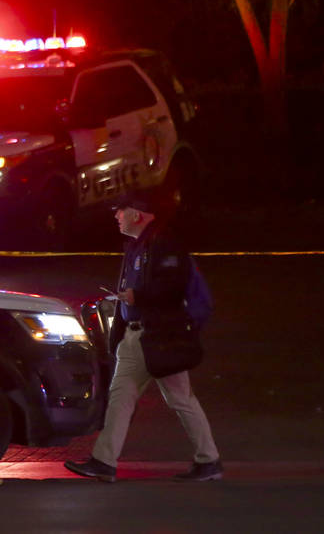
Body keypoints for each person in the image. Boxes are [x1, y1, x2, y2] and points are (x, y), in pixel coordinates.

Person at [65, 191, 222, 483]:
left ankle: (209, 460)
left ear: (137, 214)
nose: (116, 216)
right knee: (123, 397)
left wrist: (137, 296)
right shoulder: (139, 246)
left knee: (179, 399)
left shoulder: (163, 244)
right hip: (137, 338)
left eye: (120, 211)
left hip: (160, 338)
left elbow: (172, 288)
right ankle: (104, 461)